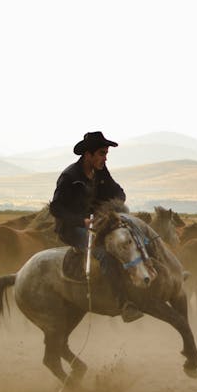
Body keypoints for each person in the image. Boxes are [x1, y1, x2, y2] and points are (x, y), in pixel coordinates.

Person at [50, 131, 142, 322]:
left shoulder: (101, 171)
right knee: (104, 253)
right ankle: (123, 303)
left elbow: (118, 192)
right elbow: (56, 207)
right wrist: (81, 221)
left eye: (106, 153)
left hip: (97, 224)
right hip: (72, 229)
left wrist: (111, 207)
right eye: (101, 153)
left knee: (131, 235)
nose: (105, 158)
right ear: (88, 155)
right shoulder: (69, 177)